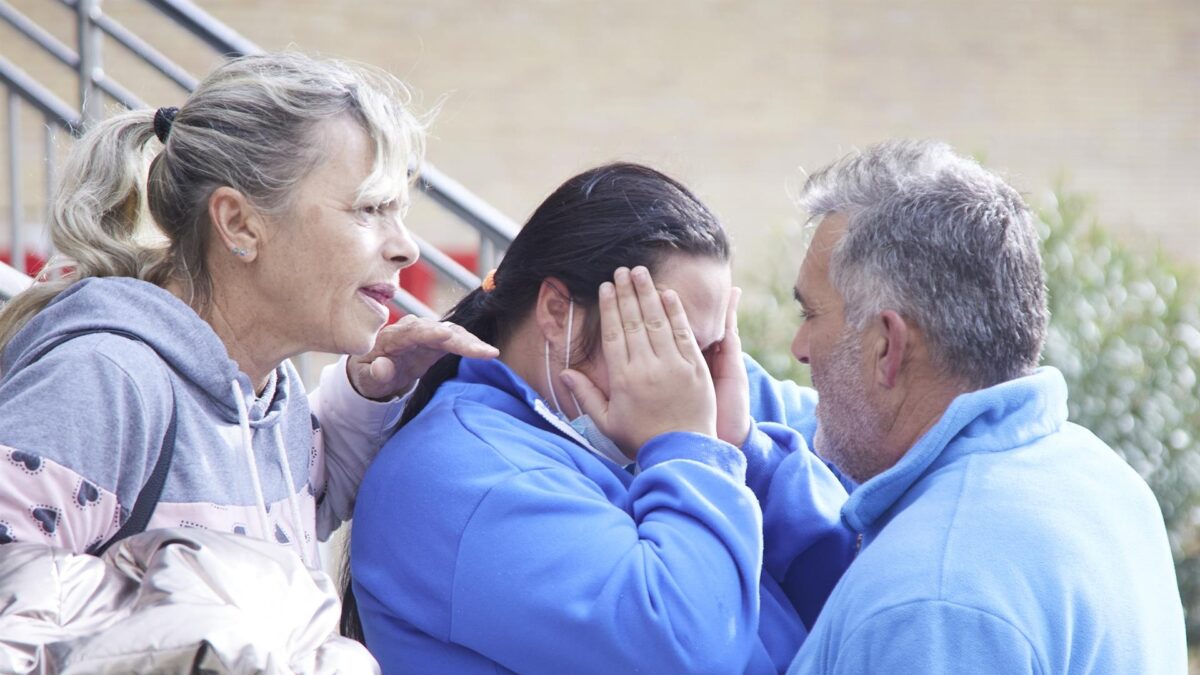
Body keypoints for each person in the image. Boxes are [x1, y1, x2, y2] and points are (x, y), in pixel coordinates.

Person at [347, 163, 855, 674]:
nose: (691, 380)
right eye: (661, 339)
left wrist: (744, 447)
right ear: (557, 311)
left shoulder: (693, 402)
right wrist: (690, 451)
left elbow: (854, 572)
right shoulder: (459, 478)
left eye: (705, 348)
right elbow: (689, 652)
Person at [0, 52, 496, 565]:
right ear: (238, 223)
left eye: (399, 211)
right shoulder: (101, 383)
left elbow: (292, 501)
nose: (406, 248)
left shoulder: (266, 396)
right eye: (370, 208)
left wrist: (369, 393)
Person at [780, 140, 1188, 673]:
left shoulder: (932, 602)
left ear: (887, 346)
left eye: (810, 314)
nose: (799, 348)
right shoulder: (1099, 477)